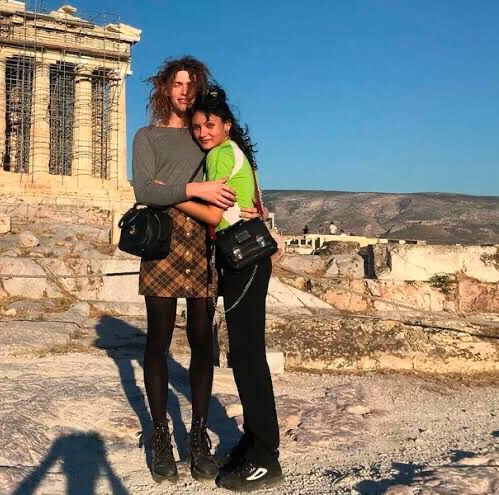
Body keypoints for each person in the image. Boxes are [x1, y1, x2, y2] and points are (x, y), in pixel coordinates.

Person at [132, 56, 255, 484]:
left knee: (203, 342)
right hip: (162, 240)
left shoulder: (205, 133)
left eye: (191, 84)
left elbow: (235, 174)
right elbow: (144, 189)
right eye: (177, 83)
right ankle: (160, 436)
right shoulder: (147, 136)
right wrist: (196, 188)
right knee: (158, 340)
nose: (184, 91)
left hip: (205, 239)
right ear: (164, 88)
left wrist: (248, 205)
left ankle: (199, 435)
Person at [175, 85, 283, 492]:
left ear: (226, 126)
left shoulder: (220, 154)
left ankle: (265, 457)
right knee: (245, 353)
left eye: (210, 125)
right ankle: (254, 443)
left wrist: (173, 193)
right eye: (197, 126)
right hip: (244, 260)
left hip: (244, 260)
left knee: (248, 356)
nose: (203, 132)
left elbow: (212, 213)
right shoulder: (231, 152)